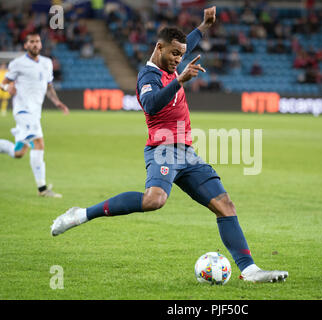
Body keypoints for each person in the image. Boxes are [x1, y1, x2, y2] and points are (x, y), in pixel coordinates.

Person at [50, 6, 288, 283]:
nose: (178, 59)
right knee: (154, 200)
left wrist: (205, 24)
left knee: (226, 205)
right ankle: (81, 214)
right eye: (174, 53)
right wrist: (181, 81)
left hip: (187, 152)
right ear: (158, 48)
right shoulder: (147, 76)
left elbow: (188, 42)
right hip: (162, 149)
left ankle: (249, 270)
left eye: (181, 54)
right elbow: (151, 105)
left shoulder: (171, 58)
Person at [0, 32, 69, 197]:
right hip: (23, 110)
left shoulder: (47, 63)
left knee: (19, 153)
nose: (35, 44)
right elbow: (4, 83)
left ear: (41, 44)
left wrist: (57, 102)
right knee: (39, 143)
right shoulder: (18, 63)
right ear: (26, 45)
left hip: (35, 112)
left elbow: (49, 86)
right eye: (31, 42)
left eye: (37, 41)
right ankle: (42, 189)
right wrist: (7, 89)